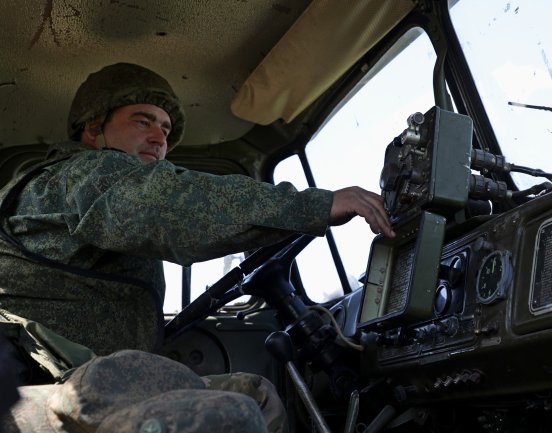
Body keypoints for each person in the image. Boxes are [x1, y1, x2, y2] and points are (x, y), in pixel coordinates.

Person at [0, 63, 394, 433]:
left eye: (166, 130)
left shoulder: (98, 192)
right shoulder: (82, 175)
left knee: (253, 394)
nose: (159, 138)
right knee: (230, 411)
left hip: (82, 373)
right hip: (41, 378)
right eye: (143, 121)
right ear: (93, 128)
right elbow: (179, 206)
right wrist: (317, 205)